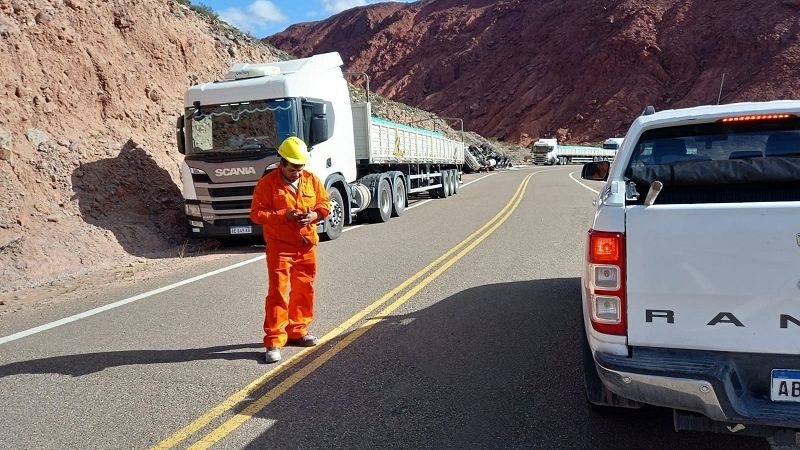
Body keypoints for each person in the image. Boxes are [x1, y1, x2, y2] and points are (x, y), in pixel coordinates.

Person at [250, 136, 331, 363]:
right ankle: (274, 340)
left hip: (306, 246)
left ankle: (298, 331)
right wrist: (283, 216)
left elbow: (324, 204)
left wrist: (315, 215)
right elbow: (257, 214)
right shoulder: (267, 185)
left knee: (304, 290)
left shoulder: (311, 180)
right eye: (293, 167)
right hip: (280, 249)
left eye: (301, 167)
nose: (297, 172)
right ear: (281, 163)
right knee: (277, 293)